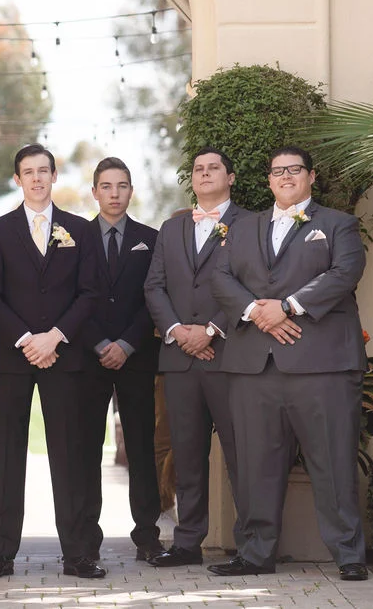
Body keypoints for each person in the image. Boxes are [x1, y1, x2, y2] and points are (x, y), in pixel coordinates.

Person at [210, 146, 368, 581]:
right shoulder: (241, 228)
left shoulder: (337, 224)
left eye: (294, 169)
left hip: (322, 366)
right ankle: (255, 553)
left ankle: (349, 555)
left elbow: (345, 273)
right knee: (255, 464)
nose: (285, 176)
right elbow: (220, 276)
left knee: (333, 461)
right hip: (254, 366)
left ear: (311, 177)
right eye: (277, 171)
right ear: (268, 180)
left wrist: (288, 306)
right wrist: (255, 311)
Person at [0, 143, 103, 579]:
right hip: (15, 357)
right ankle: (1, 553)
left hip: (65, 357)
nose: (36, 178)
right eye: (27, 172)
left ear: (53, 176)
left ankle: (77, 554)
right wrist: (28, 339)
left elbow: (89, 292)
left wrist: (55, 337)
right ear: (17, 179)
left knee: (69, 454)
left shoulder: (79, 229)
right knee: (7, 455)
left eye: (43, 170)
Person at [143, 146, 249, 567]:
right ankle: (187, 543)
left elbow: (253, 284)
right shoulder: (171, 228)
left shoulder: (251, 224)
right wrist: (176, 330)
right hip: (179, 359)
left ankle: (252, 546)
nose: (205, 174)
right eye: (198, 169)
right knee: (186, 455)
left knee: (241, 454)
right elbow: (154, 286)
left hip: (229, 357)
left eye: (213, 168)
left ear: (230, 177)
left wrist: (210, 331)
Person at [79, 157, 163, 562]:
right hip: (88, 359)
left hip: (137, 357)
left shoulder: (152, 238)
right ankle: (86, 538)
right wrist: (99, 344)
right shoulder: (75, 238)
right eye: (107, 186)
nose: (114, 194)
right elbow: (69, 297)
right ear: (95, 192)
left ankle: (147, 536)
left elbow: (156, 296)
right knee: (86, 449)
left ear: (131, 191)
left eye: (122, 186)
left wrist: (127, 344)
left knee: (142, 448)